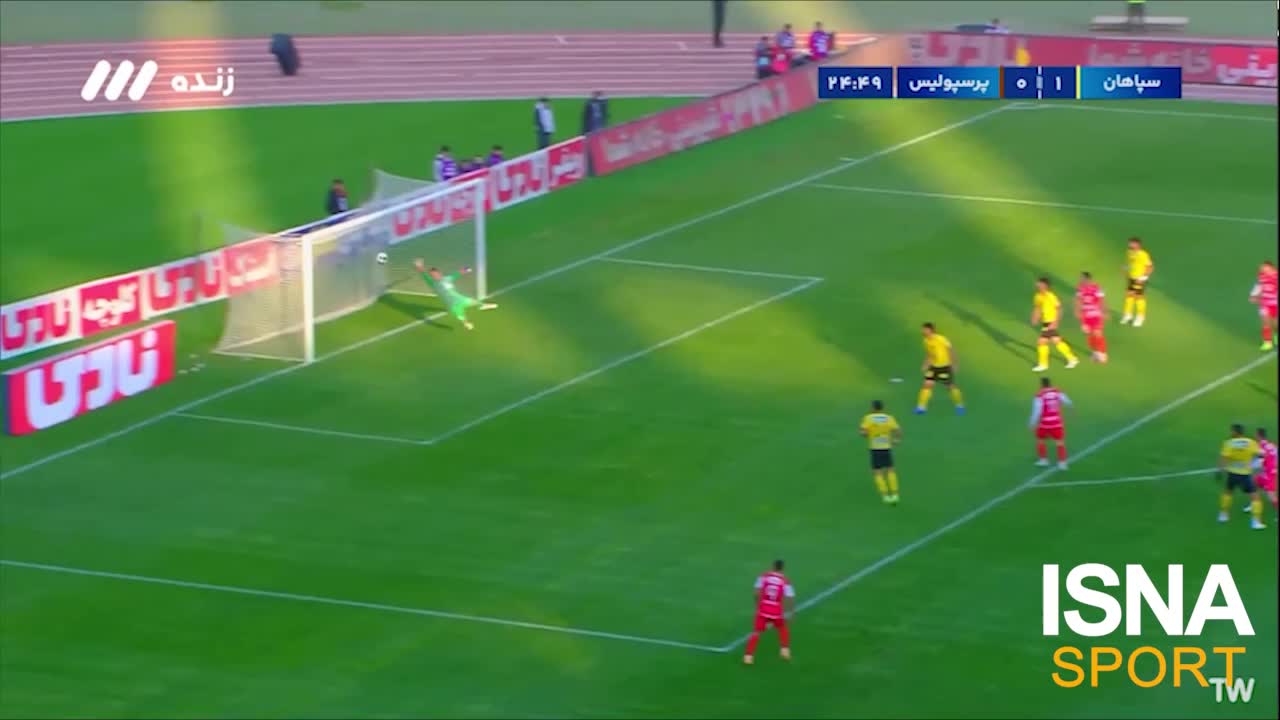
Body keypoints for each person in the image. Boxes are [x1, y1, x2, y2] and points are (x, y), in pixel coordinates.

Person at [414, 258, 497, 331]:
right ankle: (466, 323)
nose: (434, 276)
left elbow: (457, 274)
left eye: (435, 274)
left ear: (440, 273)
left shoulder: (448, 278)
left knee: (473, 301)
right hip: (452, 304)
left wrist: (466, 270)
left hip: (460, 299)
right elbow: (423, 273)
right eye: (432, 275)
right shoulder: (432, 283)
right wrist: (419, 266)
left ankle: (484, 305)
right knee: (461, 316)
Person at [743, 559, 794, 665]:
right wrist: (790, 612)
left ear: (773, 566)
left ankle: (748, 656)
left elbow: (756, 592)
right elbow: (789, 597)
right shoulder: (785, 581)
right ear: (782, 568)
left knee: (756, 632)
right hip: (776, 610)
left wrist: (757, 605)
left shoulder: (764, 576)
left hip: (763, 609)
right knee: (782, 628)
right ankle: (785, 650)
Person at [1218, 423, 1265, 529]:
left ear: (1235, 432)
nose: (1231, 432)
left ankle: (1223, 514)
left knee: (1228, 493)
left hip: (1232, 473)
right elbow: (1261, 454)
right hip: (1245, 475)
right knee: (1255, 497)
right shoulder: (1250, 442)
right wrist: (1254, 462)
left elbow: (1224, 458)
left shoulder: (1229, 443)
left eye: (1232, 431)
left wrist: (1220, 470)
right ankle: (1255, 522)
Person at [1031, 277, 1080, 372]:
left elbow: (1059, 309)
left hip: (1051, 322)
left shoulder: (1050, 296)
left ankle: (1043, 364)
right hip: (1045, 322)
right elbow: (1038, 308)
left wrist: (1055, 322)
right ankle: (1072, 359)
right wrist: (1035, 317)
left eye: (1040, 284)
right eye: (1037, 284)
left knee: (1042, 342)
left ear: (1045, 285)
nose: (1037, 285)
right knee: (1055, 340)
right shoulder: (1038, 296)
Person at [915, 322, 965, 415]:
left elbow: (951, 350)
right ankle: (921, 407)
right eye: (923, 329)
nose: (923, 331)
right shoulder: (926, 341)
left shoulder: (941, 339)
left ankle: (960, 405)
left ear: (931, 330)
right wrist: (926, 363)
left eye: (925, 329)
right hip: (933, 367)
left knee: (950, 387)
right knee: (927, 385)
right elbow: (930, 354)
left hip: (944, 367)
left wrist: (955, 363)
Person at [860, 400, 903, 504]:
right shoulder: (889, 418)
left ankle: (885, 496)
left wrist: (868, 434)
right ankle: (895, 494)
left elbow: (863, 432)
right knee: (891, 470)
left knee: (877, 472)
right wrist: (896, 440)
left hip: (875, 449)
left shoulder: (868, 418)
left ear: (873, 408)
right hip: (886, 448)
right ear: (882, 408)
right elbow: (898, 430)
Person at [1030, 377, 1072, 470]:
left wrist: (1032, 423)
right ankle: (1062, 463)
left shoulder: (1039, 395)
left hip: (1045, 423)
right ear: (1050, 384)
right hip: (1056, 422)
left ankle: (1043, 460)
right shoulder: (1057, 392)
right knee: (1060, 442)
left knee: (1041, 440)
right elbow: (1067, 401)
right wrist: (1070, 409)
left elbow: (1037, 411)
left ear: (1041, 385)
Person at [1243, 428, 1277, 521]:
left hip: (1269, 474)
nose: (1255, 436)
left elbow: (1260, 460)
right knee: (1253, 485)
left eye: (1256, 435)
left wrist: (1249, 466)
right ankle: (1253, 504)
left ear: (1258, 435)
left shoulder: (1260, 446)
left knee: (1272, 497)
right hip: (1267, 472)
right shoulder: (1271, 444)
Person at [1075, 271, 1109, 364]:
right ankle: (1096, 352)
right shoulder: (1080, 288)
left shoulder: (1097, 288)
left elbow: (1102, 300)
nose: (1080, 280)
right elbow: (1078, 300)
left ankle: (1103, 353)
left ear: (1087, 279)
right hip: (1085, 316)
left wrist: (1105, 311)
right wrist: (1077, 311)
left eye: (1082, 278)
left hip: (1096, 314)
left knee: (1098, 334)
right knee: (1089, 335)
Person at [1121, 236, 1154, 326]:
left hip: (1139, 279)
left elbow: (1150, 267)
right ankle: (1128, 315)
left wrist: (1143, 278)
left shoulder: (1143, 255)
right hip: (1131, 278)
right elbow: (1132, 263)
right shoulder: (1129, 252)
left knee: (1139, 297)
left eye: (1132, 244)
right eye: (1129, 244)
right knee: (1129, 296)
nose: (1129, 245)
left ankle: (1140, 317)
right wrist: (1126, 268)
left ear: (1138, 245)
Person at [1249, 260, 1277, 351]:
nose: (1263, 270)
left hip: (1276, 304)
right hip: (1265, 304)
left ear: (1271, 267)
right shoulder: (1262, 279)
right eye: (1262, 269)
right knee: (1265, 323)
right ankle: (1267, 342)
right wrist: (1253, 295)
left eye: (1265, 268)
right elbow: (1258, 287)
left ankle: (1276, 335)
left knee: (1275, 324)